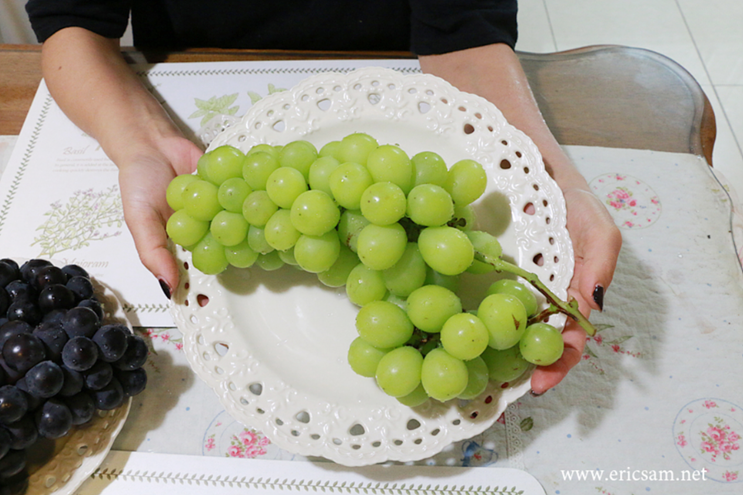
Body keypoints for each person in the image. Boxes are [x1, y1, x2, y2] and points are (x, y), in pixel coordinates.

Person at [25, 1, 622, 395]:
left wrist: (552, 180)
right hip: (191, 61)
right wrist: (142, 143)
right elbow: (70, 20)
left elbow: (463, 35)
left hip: (402, 84)